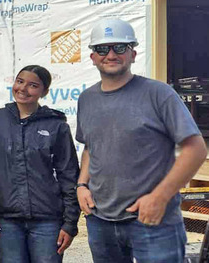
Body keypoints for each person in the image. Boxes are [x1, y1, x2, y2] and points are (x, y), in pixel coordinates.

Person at [76, 18, 208, 262]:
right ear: (93, 57)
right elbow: (90, 147)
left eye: (120, 47)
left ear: (133, 54)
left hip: (154, 221)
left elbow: (196, 149)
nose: (111, 54)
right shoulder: (86, 99)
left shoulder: (159, 94)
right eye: (103, 49)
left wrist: (159, 197)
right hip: (101, 221)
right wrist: (82, 185)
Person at [0, 65, 80, 263]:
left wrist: (70, 223)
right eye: (20, 81)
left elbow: (69, 175)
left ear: (44, 92)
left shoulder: (56, 125)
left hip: (48, 220)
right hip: (7, 220)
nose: (23, 88)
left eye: (33, 85)